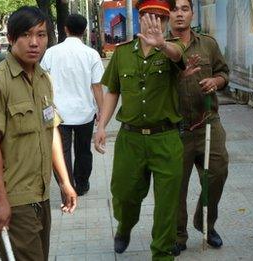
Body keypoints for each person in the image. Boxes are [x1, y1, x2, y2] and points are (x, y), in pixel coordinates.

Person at [0, 6, 77, 260]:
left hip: (40, 194)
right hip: (14, 200)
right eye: (26, 35)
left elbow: (51, 131)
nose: (34, 43)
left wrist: (64, 181)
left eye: (41, 35)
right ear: (11, 39)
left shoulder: (44, 79)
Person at [94, 0, 189, 259]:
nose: (155, 22)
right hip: (131, 139)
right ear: (140, 16)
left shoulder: (173, 48)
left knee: (166, 206)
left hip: (166, 139)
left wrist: (161, 44)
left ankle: (162, 254)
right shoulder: (123, 53)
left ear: (167, 21)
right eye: (149, 16)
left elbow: (179, 56)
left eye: (161, 17)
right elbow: (113, 91)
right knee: (124, 195)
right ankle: (124, 227)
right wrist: (101, 125)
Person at [168, 0, 230, 255]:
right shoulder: (159, 48)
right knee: (176, 186)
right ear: (167, 14)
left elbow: (224, 74)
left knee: (217, 173)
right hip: (175, 128)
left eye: (184, 8)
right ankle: (178, 235)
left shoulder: (208, 44)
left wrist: (216, 80)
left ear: (192, 13)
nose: (179, 14)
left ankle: (205, 222)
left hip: (208, 123)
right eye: (174, 9)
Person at [41, 14, 104, 196]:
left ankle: (65, 187)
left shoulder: (51, 53)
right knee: (84, 150)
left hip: (58, 114)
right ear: (84, 31)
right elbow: (97, 86)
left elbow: (43, 82)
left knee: (61, 152)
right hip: (85, 112)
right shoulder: (91, 54)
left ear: (65, 29)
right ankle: (82, 184)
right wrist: (102, 111)